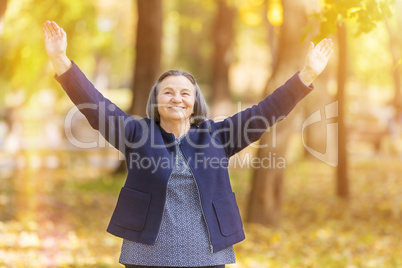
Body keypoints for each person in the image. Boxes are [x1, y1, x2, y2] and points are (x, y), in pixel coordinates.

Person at [43, 20, 333, 268]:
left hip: (207, 254)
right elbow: (96, 106)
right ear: (156, 101)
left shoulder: (217, 136)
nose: (176, 98)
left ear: (195, 103)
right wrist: (62, 62)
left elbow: (264, 112)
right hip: (147, 254)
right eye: (168, 92)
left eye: (184, 93)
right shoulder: (136, 133)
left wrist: (306, 75)